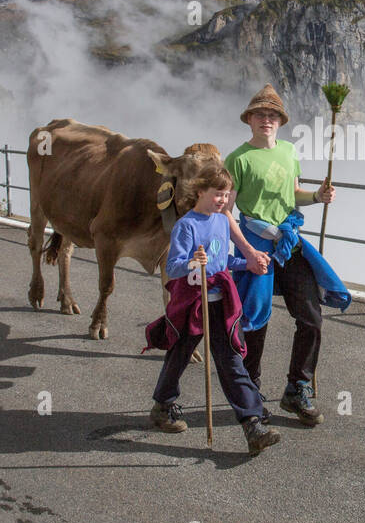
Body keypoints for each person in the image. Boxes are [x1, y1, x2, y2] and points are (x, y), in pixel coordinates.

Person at [225, 84, 350, 428]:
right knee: (255, 319)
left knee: (311, 316)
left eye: (272, 115)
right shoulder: (237, 159)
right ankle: (250, 394)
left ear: (280, 121)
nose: (266, 119)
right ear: (249, 119)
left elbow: (295, 194)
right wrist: (246, 252)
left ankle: (298, 387)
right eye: (260, 114)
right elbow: (225, 210)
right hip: (255, 242)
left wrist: (318, 196)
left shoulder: (289, 152)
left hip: (288, 241)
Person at [143, 164, 279, 455]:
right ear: (200, 191)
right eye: (218, 194)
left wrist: (248, 263)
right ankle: (162, 406)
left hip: (220, 304)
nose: (223, 200)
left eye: (226, 194)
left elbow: (223, 262)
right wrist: (194, 262)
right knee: (179, 354)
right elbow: (173, 267)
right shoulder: (186, 226)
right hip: (193, 302)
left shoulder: (221, 221)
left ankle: (252, 425)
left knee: (231, 362)